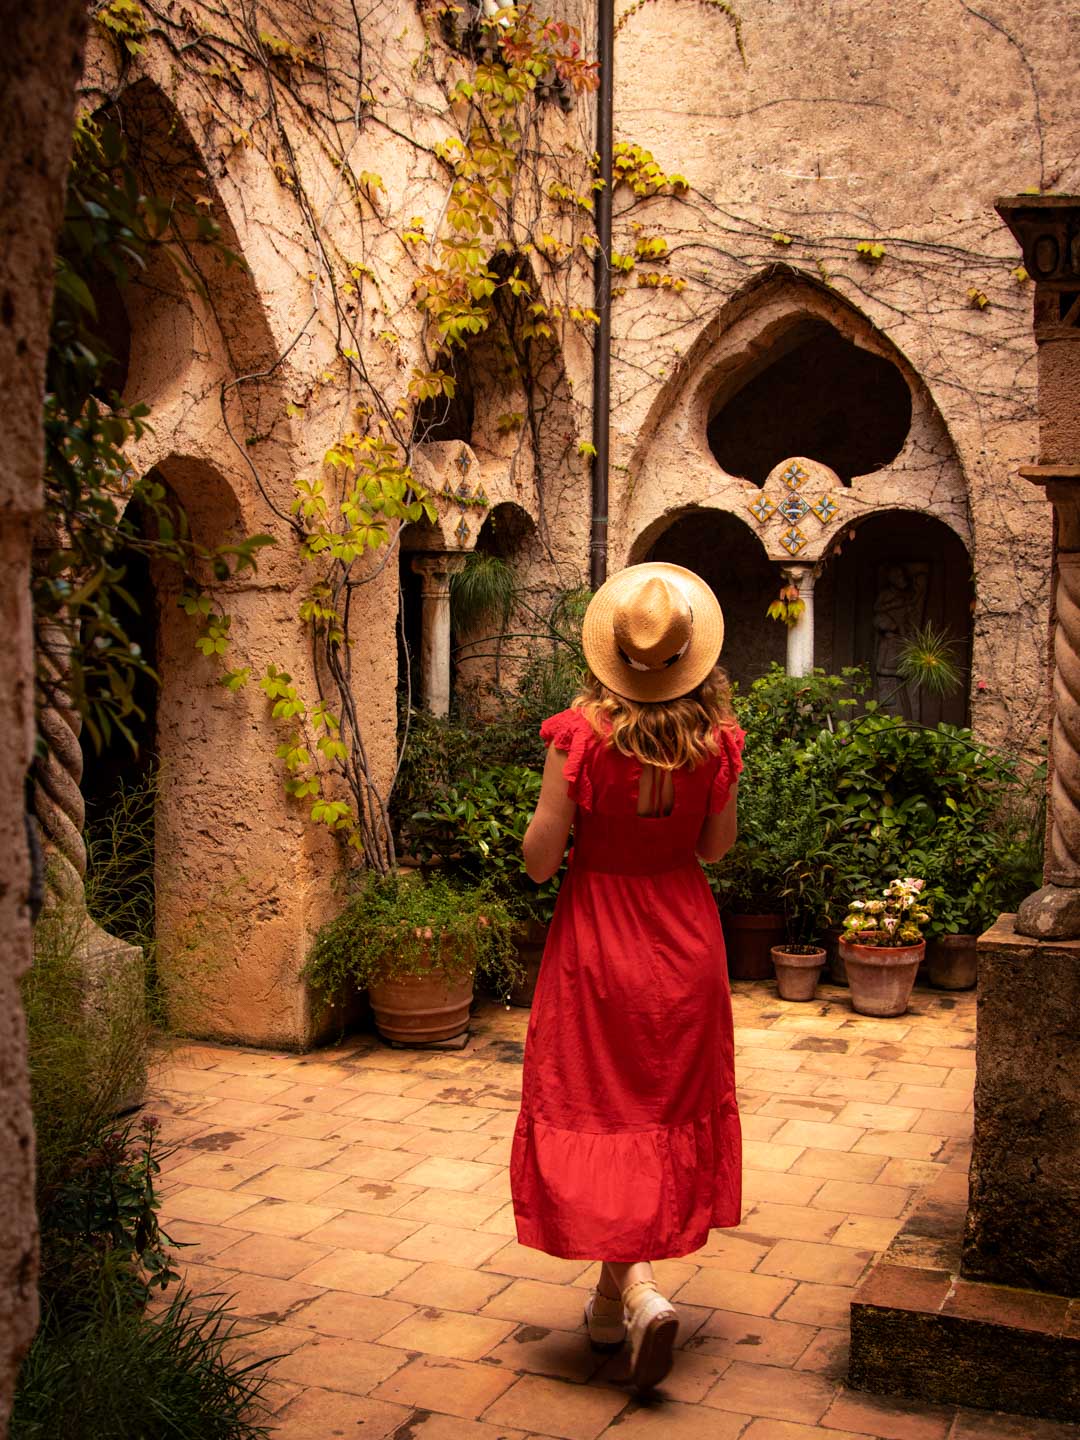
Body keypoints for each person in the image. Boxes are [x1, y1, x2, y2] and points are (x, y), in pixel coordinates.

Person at [510, 561, 744, 1393]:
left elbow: (541, 864)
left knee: (597, 1108)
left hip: (597, 939)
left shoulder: (579, 738)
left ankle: (639, 1293)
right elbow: (715, 850)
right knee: (658, 1110)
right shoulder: (718, 744)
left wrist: (560, 824)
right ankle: (610, 1309)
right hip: (682, 937)